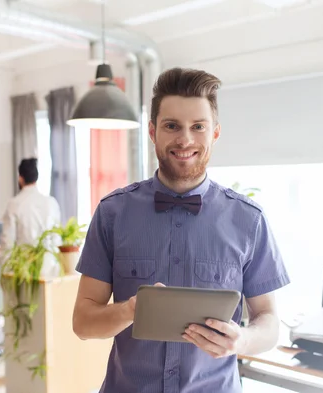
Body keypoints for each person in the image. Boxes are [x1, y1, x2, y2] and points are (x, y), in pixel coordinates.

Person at [72, 68, 290, 393]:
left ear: (215, 132)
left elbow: (269, 321)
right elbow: (83, 323)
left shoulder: (250, 220)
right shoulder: (112, 213)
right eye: (172, 125)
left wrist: (242, 339)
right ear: (152, 131)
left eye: (197, 127)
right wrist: (130, 310)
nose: (185, 140)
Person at [0, 158, 61, 274]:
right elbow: (57, 239)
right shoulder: (51, 203)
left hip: (23, 270)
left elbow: (7, 243)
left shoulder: (14, 204)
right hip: (49, 268)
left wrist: (6, 273)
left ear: (20, 178)